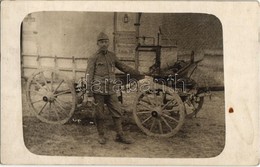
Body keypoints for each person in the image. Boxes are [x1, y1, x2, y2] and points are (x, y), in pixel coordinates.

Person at [85, 32, 142, 144]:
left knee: (117, 111)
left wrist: (137, 73)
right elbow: (88, 76)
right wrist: (90, 94)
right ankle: (101, 135)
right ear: (97, 43)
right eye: (101, 42)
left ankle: (120, 135)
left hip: (111, 90)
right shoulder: (93, 58)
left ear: (109, 43)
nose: (104, 44)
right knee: (99, 114)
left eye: (106, 42)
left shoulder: (112, 56)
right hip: (98, 90)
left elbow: (123, 67)